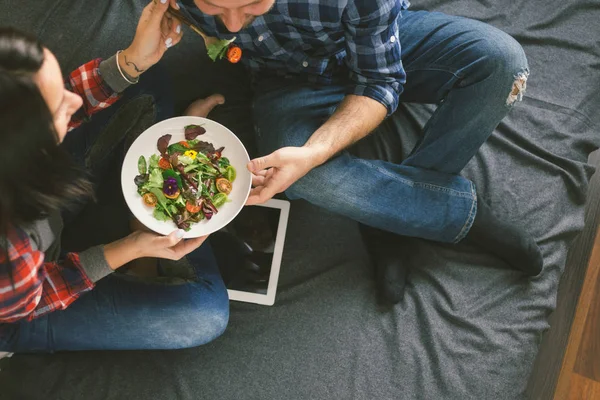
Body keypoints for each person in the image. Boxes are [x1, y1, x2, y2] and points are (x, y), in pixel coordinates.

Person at [175, 0, 544, 304]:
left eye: (252, 4)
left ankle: (394, 219)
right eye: (214, 6)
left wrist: (316, 149)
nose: (235, 23)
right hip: (285, 83)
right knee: (307, 177)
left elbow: (380, 80)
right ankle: (433, 212)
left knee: (503, 64)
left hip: (371, 47)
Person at [0, 0, 229, 354]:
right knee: (203, 312)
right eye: (58, 107)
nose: (73, 102)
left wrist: (131, 61)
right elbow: (41, 293)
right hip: (22, 307)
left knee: (144, 75)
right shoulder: (10, 243)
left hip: (36, 208)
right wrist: (130, 248)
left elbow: (52, 99)